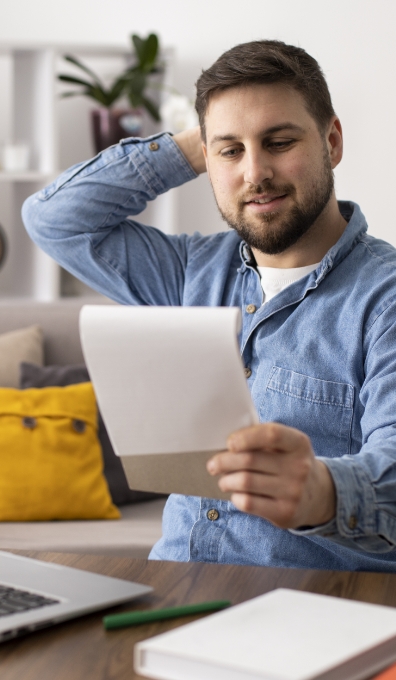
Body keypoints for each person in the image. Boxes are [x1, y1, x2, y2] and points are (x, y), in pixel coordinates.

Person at [22, 40, 396, 571]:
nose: (255, 173)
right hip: (175, 586)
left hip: (318, 607)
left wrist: (323, 492)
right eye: (231, 152)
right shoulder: (188, 273)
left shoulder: (385, 301)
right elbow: (53, 219)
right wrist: (200, 143)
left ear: (331, 141)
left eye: (279, 141)